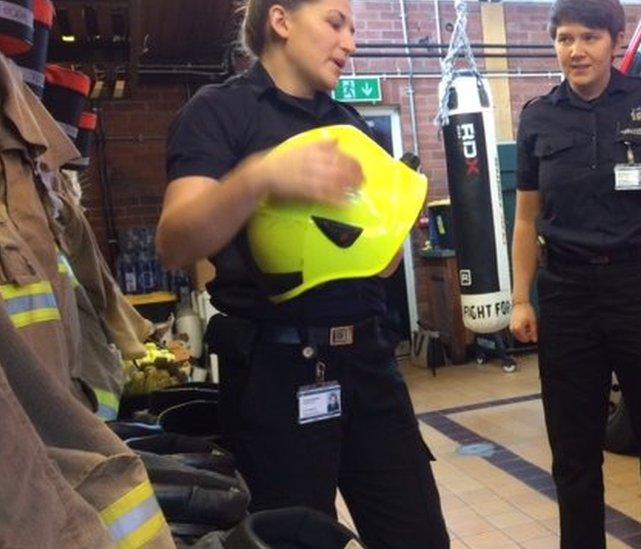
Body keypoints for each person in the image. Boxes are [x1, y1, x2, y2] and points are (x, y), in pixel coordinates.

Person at [156, 1, 449, 547]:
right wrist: (258, 178)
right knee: (290, 540)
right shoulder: (218, 113)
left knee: (420, 537)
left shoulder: (349, 125)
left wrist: (401, 221)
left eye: (354, 28)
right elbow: (174, 242)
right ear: (281, 21)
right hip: (274, 371)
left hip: (368, 362)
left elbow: (380, 264)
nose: (351, 42)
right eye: (336, 23)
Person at [509, 0, 641, 546]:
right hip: (567, 294)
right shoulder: (538, 116)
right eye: (564, 39)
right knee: (572, 452)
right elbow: (526, 218)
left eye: (589, 38)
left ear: (615, 41)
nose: (576, 51)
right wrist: (520, 299)